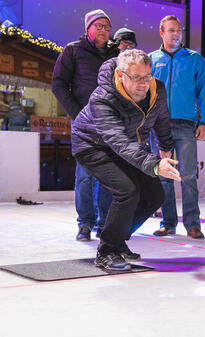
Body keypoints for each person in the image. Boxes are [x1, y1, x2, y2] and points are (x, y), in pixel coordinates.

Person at [71, 49, 179, 271]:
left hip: (127, 145)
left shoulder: (156, 88)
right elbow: (118, 140)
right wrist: (154, 164)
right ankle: (106, 250)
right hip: (91, 145)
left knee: (155, 194)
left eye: (147, 77)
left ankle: (117, 239)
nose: (143, 84)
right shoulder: (102, 98)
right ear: (120, 75)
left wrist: (166, 146)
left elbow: (161, 118)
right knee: (127, 190)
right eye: (136, 77)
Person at [52, 9, 118, 241]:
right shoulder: (73, 50)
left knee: (109, 175)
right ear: (88, 28)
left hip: (110, 122)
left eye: (107, 27)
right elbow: (59, 85)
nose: (103, 30)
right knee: (85, 175)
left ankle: (104, 224)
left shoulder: (115, 54)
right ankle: (85, 223)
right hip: (84, 122)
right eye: (99, 26)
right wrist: (78, 114)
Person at [148, 15, 205, 239]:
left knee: (188, 177)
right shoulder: (151, 60)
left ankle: (193, 224)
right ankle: (168, 223)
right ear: (161, 32)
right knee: (164, 176)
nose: (177, 34)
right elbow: (144, 94)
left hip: (186, 126)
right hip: (159, 127)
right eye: (172, 30)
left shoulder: (196, 60)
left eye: (180, 30)